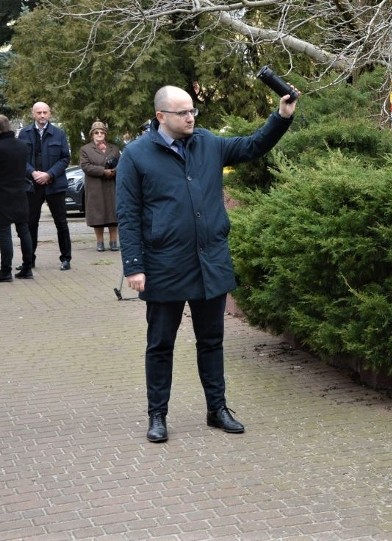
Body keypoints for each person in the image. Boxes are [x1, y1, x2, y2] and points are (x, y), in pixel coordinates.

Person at [117, 85, 298, 443]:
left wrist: (281, 117)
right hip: (165, 264)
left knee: (212, 341)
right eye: (182, 113)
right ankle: (158, 415)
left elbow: (252, 146)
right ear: (161, 117)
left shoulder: (208, 143)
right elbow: (128, 214)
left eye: (192, 111)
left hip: (209, 261)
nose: (190, 117)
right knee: (160, 344)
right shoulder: (136, 155)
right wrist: (134, 266)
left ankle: (217, 409)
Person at [17, 101, 72, 271]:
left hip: (54, 185)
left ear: (50, 114)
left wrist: (49, 174)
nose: (42, 115)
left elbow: (65, 158)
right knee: (30, 223)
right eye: (39, 112)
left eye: (45, 112)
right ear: (33, 114)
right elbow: (21, 159)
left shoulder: (59, 134)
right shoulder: (24, 134)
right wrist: (33, 173)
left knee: (61, 222)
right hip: (32, 186)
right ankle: (29, 259)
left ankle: (66, 258)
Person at [0, 115, 35, 281]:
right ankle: (27, 268)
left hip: (3, 195)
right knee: (24, 231)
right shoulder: (22, 146)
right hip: (21, 193)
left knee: (5, 233)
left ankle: (5, 271)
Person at [80, 121, 122, 252]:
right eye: (96, 132)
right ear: (92, 134)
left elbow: (121, 163)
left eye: (102, 132)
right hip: (95, 186)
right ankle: (99, 242)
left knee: (113, 216)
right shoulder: (85, 149)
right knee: (97, 216)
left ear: (105, 134)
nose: (99, 134)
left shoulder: (114, 149)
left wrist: (114, 171)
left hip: (112, 185)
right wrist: (103, 171)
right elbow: (86, 166)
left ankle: (114, 241)